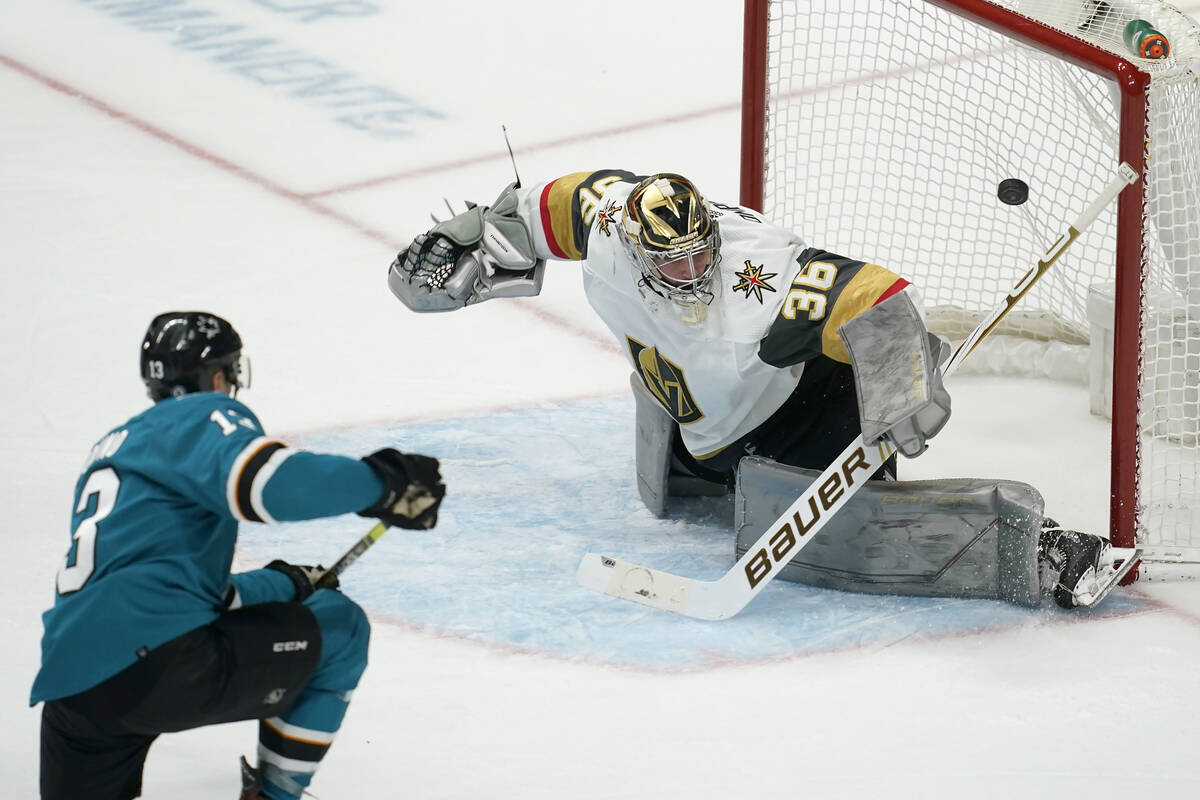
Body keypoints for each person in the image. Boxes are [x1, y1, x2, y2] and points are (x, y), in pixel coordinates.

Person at [386, 169, 1131, 609]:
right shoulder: (611, 218)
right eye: (671, 264)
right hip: (701, 424)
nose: (691, 273)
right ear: (635, 246)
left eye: (698, 254)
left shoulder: (758, 274)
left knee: (858, 534)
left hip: (800, 410)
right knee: (694, 452)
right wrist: (470, 235)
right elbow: (543, 209)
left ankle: (1042, 554)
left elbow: (875, 296)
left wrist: (903, 380)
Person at [31, 311, 446, 800]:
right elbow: (272, 487)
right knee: (341, 627)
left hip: (71, 689)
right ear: (217, 376)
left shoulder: (113, 449)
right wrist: (385, 484)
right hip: (158, 666)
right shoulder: (202, 417)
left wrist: (287, 582)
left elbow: (161, 593)